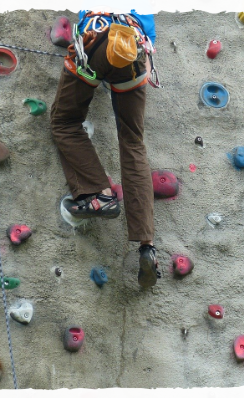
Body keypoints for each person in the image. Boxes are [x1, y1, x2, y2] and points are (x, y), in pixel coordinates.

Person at [50, 0, 161, 287]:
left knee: (64, 121)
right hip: (134, 48)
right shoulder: (146, 13)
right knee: (132, 141)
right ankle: (147, 246)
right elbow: (147, 60)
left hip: (98, 35)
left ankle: (98, 194)